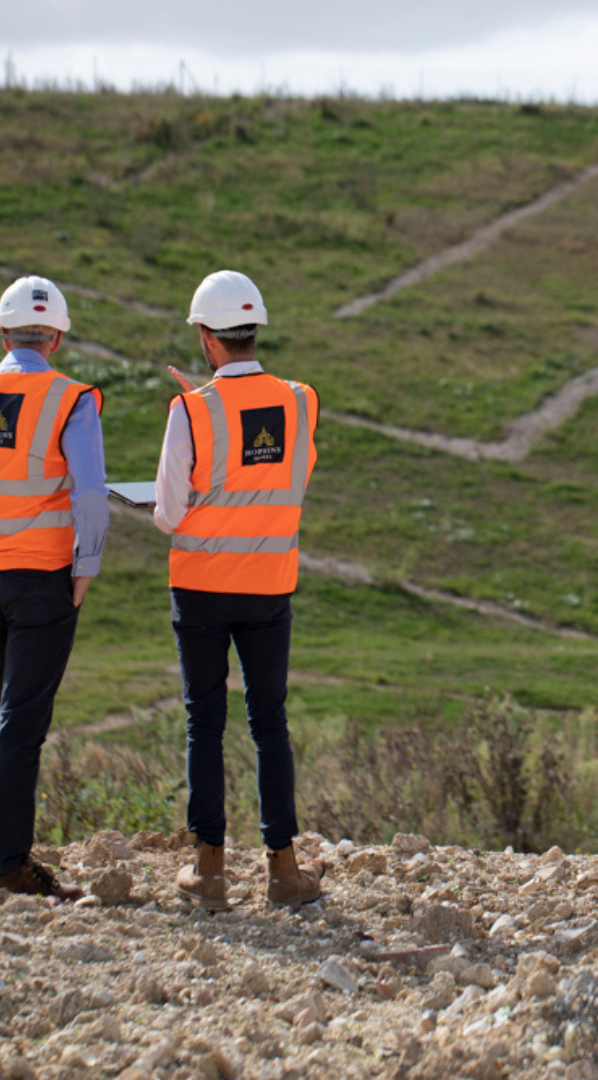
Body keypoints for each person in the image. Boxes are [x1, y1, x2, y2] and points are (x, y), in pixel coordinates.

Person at [155, 270, 324, 910]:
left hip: (199, 586)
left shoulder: (189, 411)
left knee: (206, 721)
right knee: (269, 722)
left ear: (206, 337)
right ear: (254, 331)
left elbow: (171, 513)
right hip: (268, 586)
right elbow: (292, 477)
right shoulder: (302, 401)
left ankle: (210, 873)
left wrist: (195, 413)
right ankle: (283, 872)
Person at [0, 275, 108, 901]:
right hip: (42, 580)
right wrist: (84, 568)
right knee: (20, 723)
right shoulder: (72, 401)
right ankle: (9, 863)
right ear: (58, 338)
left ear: (4, 332)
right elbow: (90, 494)